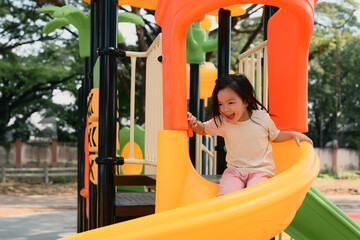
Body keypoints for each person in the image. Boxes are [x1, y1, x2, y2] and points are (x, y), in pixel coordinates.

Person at [187, 74, 313, 196]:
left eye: (230, 103)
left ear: (246, 101)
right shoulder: (222, 122)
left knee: (254, 194)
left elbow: (275, 136)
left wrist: (292, 134)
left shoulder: (261, 118)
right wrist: (194, 123)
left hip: (260, 171)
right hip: (234, 171)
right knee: (228, 196)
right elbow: (203, 129)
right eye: (220, 104)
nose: (225, 109)